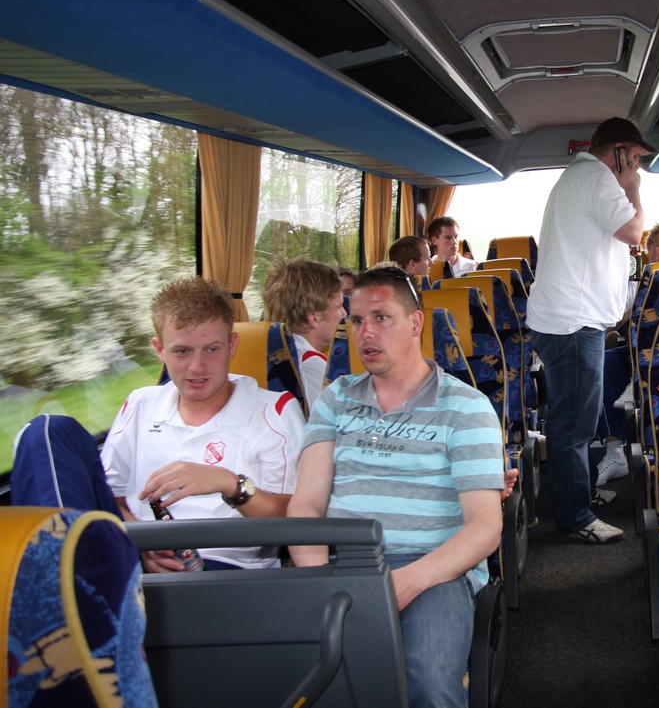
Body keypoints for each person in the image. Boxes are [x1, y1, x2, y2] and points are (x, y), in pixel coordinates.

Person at [287, 265, 505, 707]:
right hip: (340, 562)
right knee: (289, 675)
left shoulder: (466, 407)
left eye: (382, 317)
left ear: (415, 322)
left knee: (425, 679)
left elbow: (485, 527)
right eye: (356, 320)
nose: (365, 333)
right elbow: (306, 503)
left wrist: (408, 581)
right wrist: (316, 577)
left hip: (434, 567)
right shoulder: (335, 398)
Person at [104, 277, 305, 571]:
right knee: (52, 432)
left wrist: (229, 484)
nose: (197, 367)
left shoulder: (274, 413)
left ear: (232, 345)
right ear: (159, 349)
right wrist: (140, 542)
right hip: (143, 563)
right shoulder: (140, 405)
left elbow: (295, 518)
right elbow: (110, 496)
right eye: (182, 351)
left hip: (229, 569)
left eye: (211, 349)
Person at [526, 117, 648, 544]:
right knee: (574, 427)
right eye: (634, 157)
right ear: (617, 151)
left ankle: (576, 499)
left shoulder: (583, 176)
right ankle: (576, 518)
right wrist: (632, 187)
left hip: (571, 320)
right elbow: (634, 231)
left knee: (574, 421)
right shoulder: (596, 177)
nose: (636, 166)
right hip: (573, 324)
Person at [596, 220, 659, 486]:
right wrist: (635, 305)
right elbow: (613, 322)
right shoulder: (631, 283)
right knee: (605, 362)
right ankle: (614, 450)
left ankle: (634, 386)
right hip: (637, 351)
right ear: (648, 248)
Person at [261, 256, 347, 411]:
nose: (344, 313)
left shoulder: (266, 354)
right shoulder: (312, 366)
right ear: (314, 318)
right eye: (339, 306)